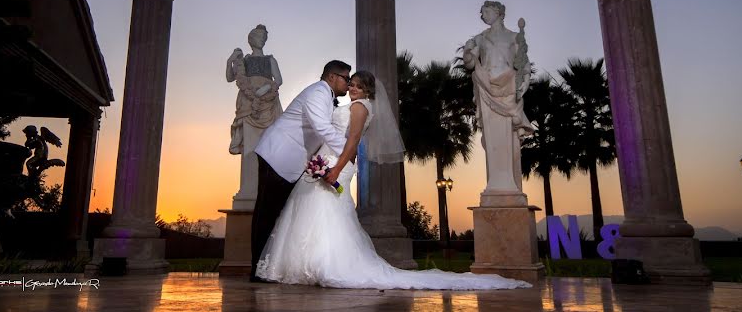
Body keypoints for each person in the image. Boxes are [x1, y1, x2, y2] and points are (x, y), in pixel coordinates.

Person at [255, 70, 531, 291]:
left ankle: (326, 265)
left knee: (324, 213)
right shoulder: (356, 105)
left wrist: (338, 169)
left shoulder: (360, 108)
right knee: (312, 211)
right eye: (350, 84)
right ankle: (306, 265)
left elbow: (351, 143)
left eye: (357, 85)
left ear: (367, 91)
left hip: (336, 162)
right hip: (328, 159)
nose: (351, 89)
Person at [250, 60, 351, 282]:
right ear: (332, 77)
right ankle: (256, 269)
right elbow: (322, 127)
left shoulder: (326, 96)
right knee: (266, 214)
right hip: (277, 155)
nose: (349, 83)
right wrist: (348, 154)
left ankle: (267, 267)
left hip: (292, 162)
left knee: (279, 214)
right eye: (346, 78)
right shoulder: (318, 92)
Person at [462, 0, 533, 198]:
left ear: (498, 12)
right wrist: (469, 54)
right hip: (487, 87)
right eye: (482, 13)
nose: (483, 15)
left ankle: (510, 185)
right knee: (492, 138)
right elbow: (469, 64)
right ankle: (497, 183)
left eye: (486, 11)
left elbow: (523, 63)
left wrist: (525, 81)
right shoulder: (479, 39)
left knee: (509, 139)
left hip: (509, 87)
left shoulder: (513, 37)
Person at [225, 24, 283, 208]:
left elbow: (279, 80)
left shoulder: (270, 60)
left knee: (268, 148)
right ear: (252, 39)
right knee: (250, 146)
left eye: (263, 37)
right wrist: (230, 61)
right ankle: (248, 190)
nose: (262, 40)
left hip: (268, 103)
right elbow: (229, 78)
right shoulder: (244, 61)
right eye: (259, 37)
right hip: (248, 105)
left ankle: (267, 189)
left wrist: (265, 89)